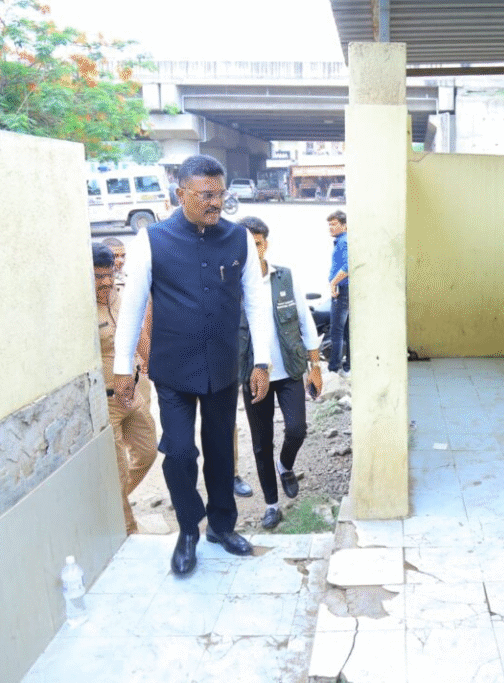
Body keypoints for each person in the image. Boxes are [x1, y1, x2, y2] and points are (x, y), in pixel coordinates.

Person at [113, 154, 274, 577]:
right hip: (173, 370)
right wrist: (122, 367)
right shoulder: (151, 240)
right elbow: (132, 307)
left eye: (220, 193)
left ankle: (222, 526)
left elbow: (257, 303)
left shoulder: (239, 238)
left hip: (222, 366)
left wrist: (262, 361)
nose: (215, 202)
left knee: (220, 451)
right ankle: (188, 529)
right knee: (180, 451)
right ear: (180, 194)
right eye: (205, 194)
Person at [236, 216, 323, 529]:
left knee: (297, 429)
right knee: (261, 444)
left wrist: (315, 366)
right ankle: (272, 505)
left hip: (288, 370)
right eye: (246, 245)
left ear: (265, 244)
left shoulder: (284, 277)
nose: (252, 250)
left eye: (257, 244)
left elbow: (305, 322)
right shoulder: (231, 286)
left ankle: (285, 465)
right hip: (253, 376)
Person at [93, 243, 157, 534]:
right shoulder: (82, 309)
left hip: (133, 394)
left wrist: (155, 366)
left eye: (108, 274)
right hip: (107, 402)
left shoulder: (121, 294)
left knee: (147, 453)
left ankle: (111, 505)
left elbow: (138, 332)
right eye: (98, 277)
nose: (106, 282)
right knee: (117, 470)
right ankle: (128, 530)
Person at [326, 210, 350, 377]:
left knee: (336, 331)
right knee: (347, 331)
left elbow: (348, 266)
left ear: (344, 225)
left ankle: (334, 368)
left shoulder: (344, 242)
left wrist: (334, 282)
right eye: (329, 225)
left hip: (342, 291)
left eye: (334, 224)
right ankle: (348, 366)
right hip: (344, 290)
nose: (330, 227)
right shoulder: (342, 240)